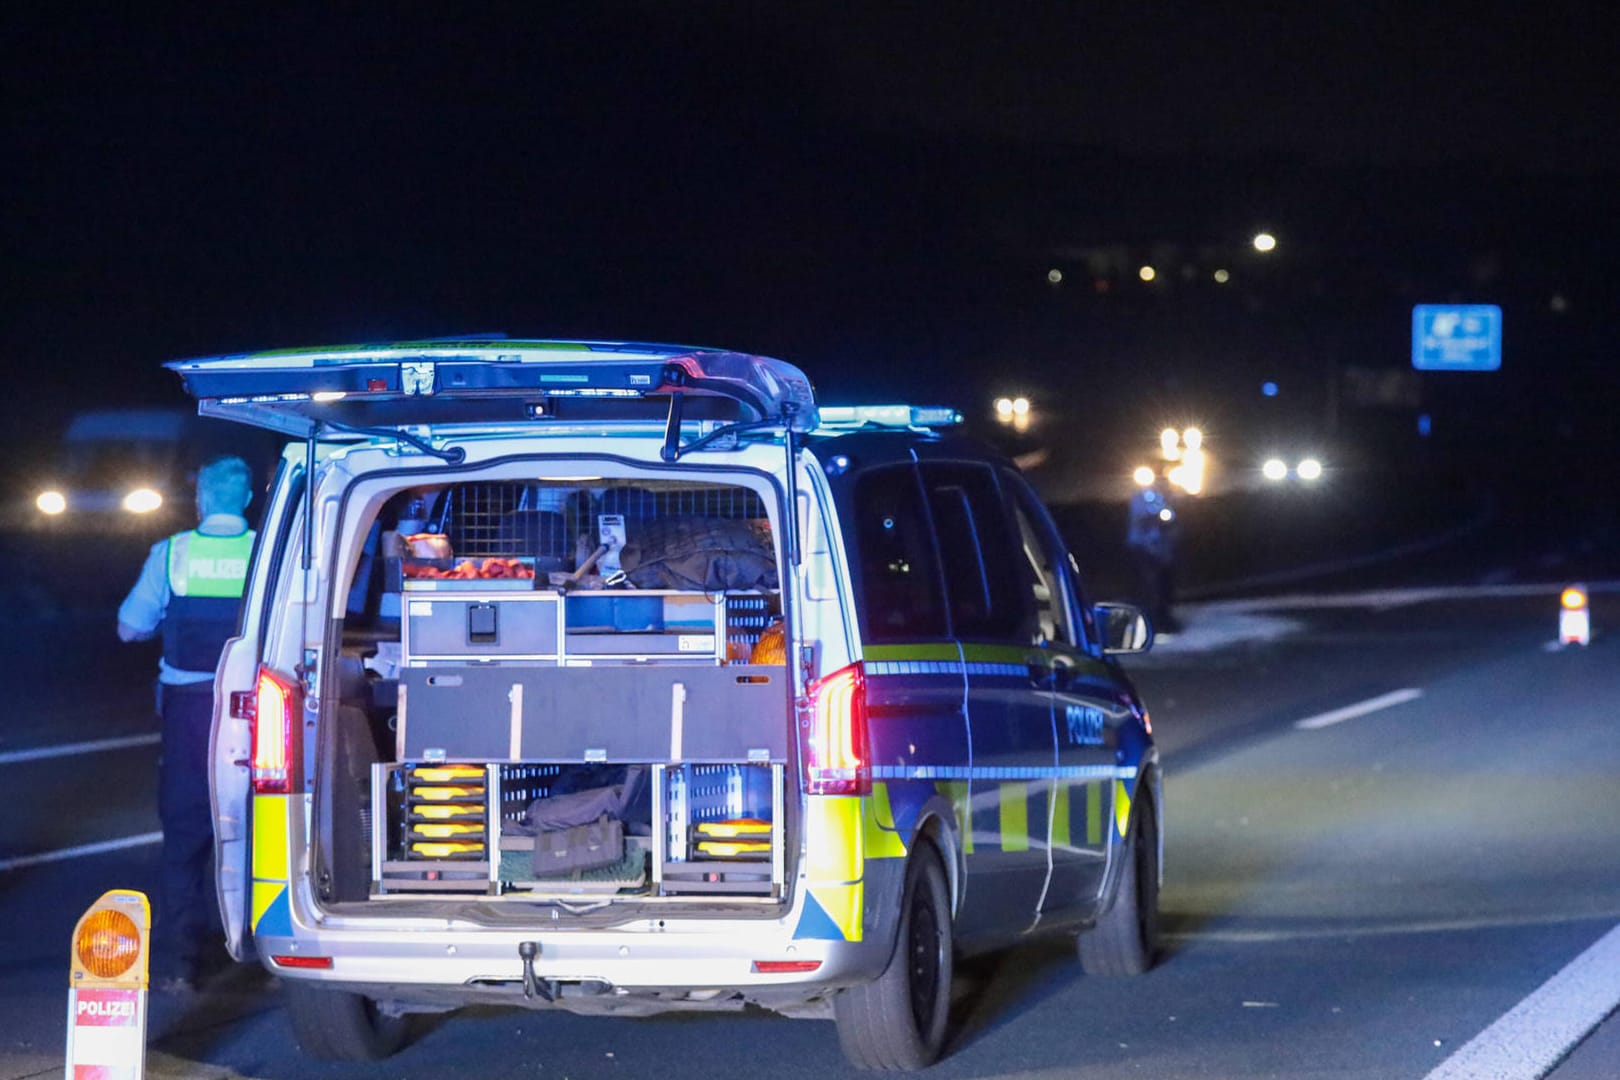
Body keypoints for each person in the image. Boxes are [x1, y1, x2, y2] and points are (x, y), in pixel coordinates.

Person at [117, 455, 256, 992]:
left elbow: (131, 628)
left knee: (185, 832)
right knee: (255, 824)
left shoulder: (172, 553)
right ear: (246, 499)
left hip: (190, 712)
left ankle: (186, 961)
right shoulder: (265, 552)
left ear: (200, 499)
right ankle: (254, 949)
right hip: (253, 712)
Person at [1125, 474, 1180, 633]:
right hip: (1142, 548)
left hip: (1160, 550)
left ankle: (1165, 619)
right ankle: (1153, 623)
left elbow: (1169, 518)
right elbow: (1142, 518)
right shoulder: (1139, 498)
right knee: (1150, 586)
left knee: (1164, 586)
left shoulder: (1160, 498)